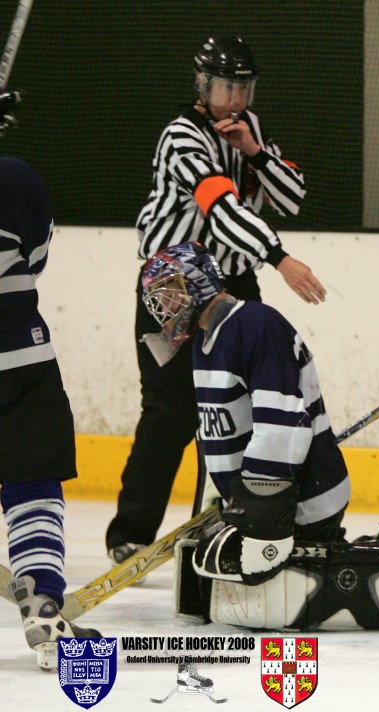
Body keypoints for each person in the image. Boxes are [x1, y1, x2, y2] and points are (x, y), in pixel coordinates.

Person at [139, 242, 379, 630]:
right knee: (238, 598)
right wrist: (227, 500)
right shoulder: (206, 342)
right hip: (258, 500)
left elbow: (282, 420)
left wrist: (264, 510)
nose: (166, 306)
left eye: (170, 291)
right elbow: (220, 430)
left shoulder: (254, 324)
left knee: (282, 606)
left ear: (198, 282)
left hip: (300, 496)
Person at [105, 36, 327, 570]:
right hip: (173, 289)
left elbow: (293, 196)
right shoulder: (182, 137)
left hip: (232, 286)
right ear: (204, 87)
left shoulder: (248, 133)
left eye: (244, 87)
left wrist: (255, 152)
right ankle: (130, 531)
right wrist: (280, 258)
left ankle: (227, 519)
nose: (236, 98)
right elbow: (220, 208)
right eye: (228, 86)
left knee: (237, 409)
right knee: (172, 409)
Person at [0, 89, 101, 669]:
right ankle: (42, 603)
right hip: (19, 356)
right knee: (32, 485)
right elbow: (35, 254)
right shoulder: (16, 180)